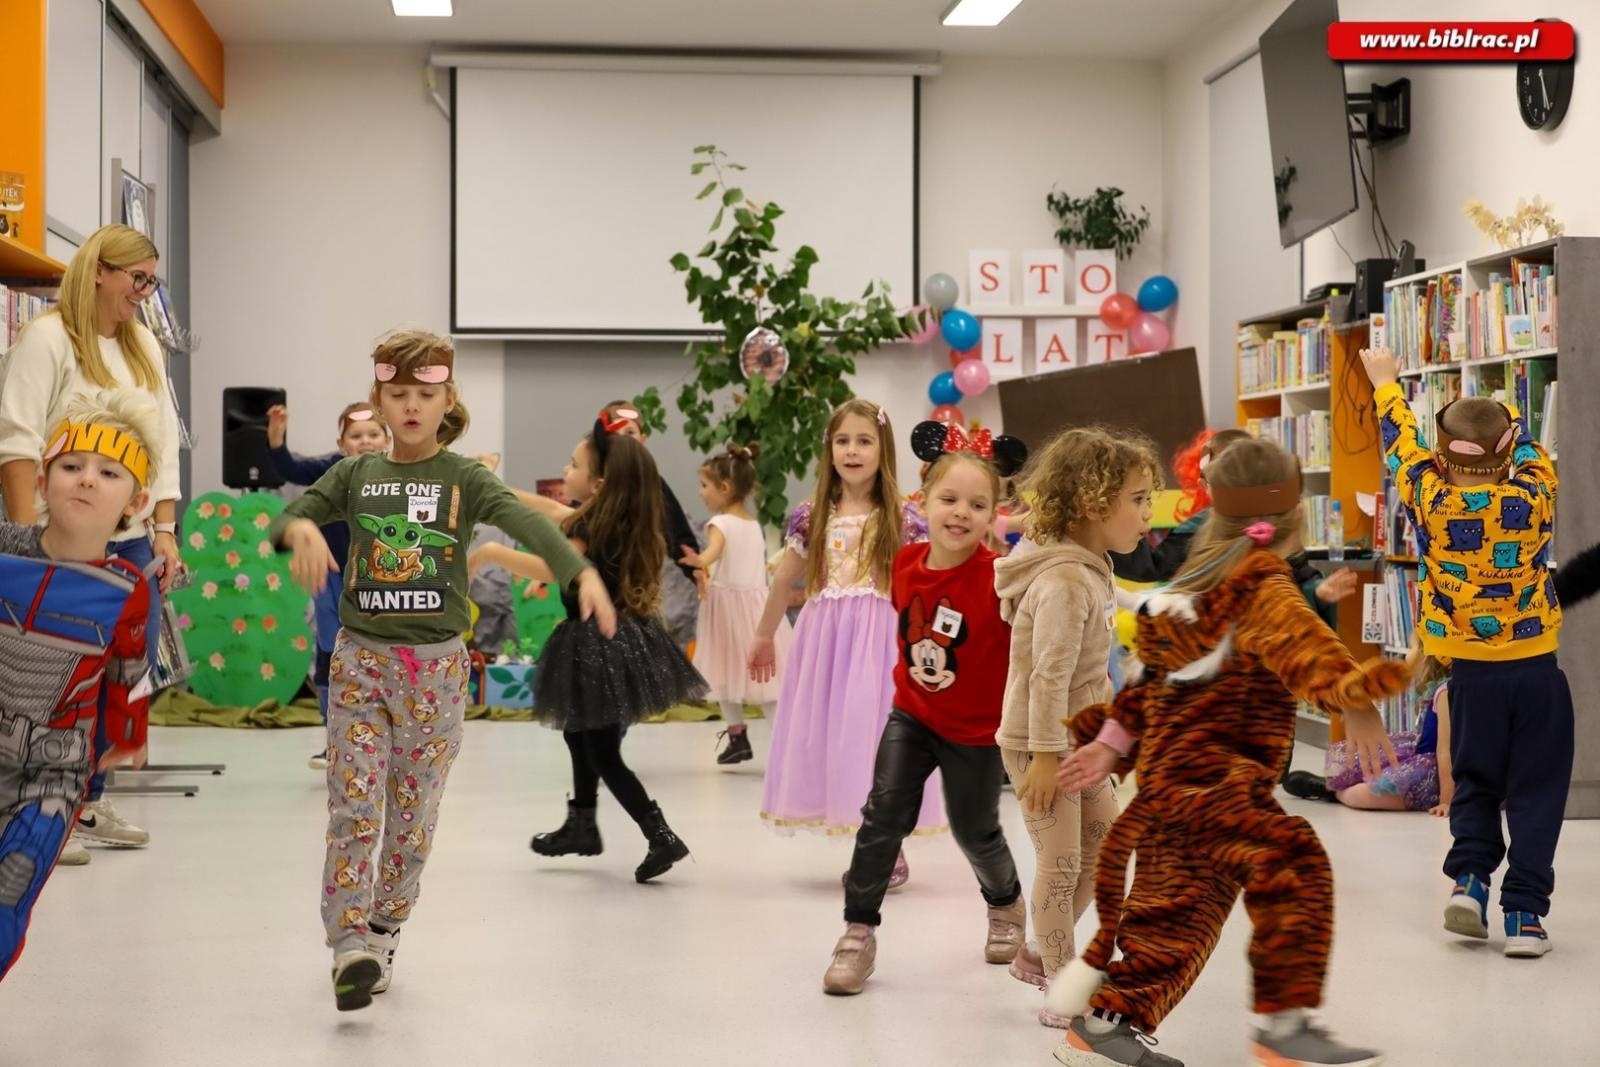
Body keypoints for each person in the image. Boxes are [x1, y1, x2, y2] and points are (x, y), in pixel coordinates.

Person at [269, 329, 615, 1011]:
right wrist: (300, 529)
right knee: (354, 805)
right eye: (396, 395)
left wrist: (578, 569)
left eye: (424, 395)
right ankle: (348, 945)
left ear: (446, 398)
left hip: (436, 674)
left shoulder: (463, 477)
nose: (410, 407)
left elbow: (527, 522)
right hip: (362, 664)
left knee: (412, 816)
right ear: (378, 401)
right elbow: (289, 518)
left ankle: (384, 926)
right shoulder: (355, 474)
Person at [1049, 437, 1410, 1067]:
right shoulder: (1263, 583)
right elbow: (1309, 653)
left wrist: (1113, 745)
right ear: (1296, 517)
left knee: (1177, 912)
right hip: (1215, 782)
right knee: (1294, 862)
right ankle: (1283, 1022)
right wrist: (1369, 690)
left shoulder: (1195, 578)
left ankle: (1104, 1026)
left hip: (1169, 785)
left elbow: (1147, 678)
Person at [1364, 346, 1570, 960]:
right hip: (1536, 670)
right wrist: (1504, 431)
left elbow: (1399, 440)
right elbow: (1527, 441)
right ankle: (1526, 915)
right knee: (1538, 789)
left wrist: (1385, 383)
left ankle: (1471, 882)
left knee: (1475, 780)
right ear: (1509, 450)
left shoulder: (1426, 492)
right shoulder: (1534, 490)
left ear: (1440, 452)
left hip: (1469, 674)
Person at [823, 424, 1030, 995]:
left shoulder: (998, 577)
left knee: (975, 831)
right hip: (911, 715)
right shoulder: (907, 564)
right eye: (949, 499)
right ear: (924, 502)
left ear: (994, 515)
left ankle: (1005, 904)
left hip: (977, 732)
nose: (961, 512)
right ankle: (857, 933)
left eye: (977, 504)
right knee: (883, 814)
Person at [0, 223, 184, 860]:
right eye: (139, 279)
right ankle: (36, 800)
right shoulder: (46, 338)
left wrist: (165, 528)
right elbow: (18, 441)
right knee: (51, 675)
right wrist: (26, 539)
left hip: (129, 541)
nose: (144, 293)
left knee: (121, 677)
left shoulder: (143, 348)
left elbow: (161, 448)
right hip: (58, 540)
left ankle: (86, 798)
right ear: (99, 271)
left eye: (151, 281)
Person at [476, 422, 706, 883]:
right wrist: (493, 489)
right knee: (579, 733)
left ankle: (659, 834)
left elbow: (552, 567)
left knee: (602, 752)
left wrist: (492, 554)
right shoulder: (618, 516)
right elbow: (544, 507)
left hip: (597, 645)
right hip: (623, 640)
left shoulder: (588, 525)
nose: (566, 468)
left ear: (598, 483)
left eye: (575, 464)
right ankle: (581, 824)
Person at [994, 427, 1159, 1029]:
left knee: (1104, 847)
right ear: (1093, 504)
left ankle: (1040, 949)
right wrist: (1043, 755)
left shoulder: (1093, 567)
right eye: (1138, 499)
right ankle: (1062, 987)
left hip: (1079, 740)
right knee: (1062, 861)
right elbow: (1048, 677)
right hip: (1043, 743)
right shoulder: (1065, 580)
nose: (1148, 512)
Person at [1111, 428, 1360, 804]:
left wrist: (1319, 593)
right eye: (1209, 480)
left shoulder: (1277, 537)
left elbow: (1301, 590)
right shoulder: (1201, 532)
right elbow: (1155, 568)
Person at [0, 391, 159, 979]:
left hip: (53, 777)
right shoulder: (4, 551)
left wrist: (127, 735)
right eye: (71, 466)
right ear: (43, 482)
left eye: (108, 471)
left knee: (8, 894)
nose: (86, 479)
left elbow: (130, 673)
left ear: (136, 503)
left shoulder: (127, 590)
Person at [749, 399, 940, 885]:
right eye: (842, 441)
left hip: (880, 640)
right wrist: (764, 634)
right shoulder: (811, 515)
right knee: (838, 736)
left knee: (878, 737)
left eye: (863, 441)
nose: (852, 451)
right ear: (828, 449)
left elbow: (926, 584)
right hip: (826, 643)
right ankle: (865, 837)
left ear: (883, 449)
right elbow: (783, 581)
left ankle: (886, 842)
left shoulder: (903, 516)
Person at [265, 401, 390, 769]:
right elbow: (290, 467)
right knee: (331, 650)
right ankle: (333, 736)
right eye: (356, 436)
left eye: (373, 434)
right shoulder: (331, 469)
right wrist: (276, 438)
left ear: (386, 439)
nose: (365, 441)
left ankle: (377, 735)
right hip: (331, 575)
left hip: (379, 579)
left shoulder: (397, 474)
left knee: (378, 654)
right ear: (342, 442)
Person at [678, 442, 790, 765]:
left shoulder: (720, 525)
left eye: (704, 486)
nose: (701, 493)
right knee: (761, 677)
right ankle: (749, 738)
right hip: (755, 607)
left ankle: (749, 737)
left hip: (729, 611)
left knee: (728, 671)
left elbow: (713, 553)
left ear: (724, 488)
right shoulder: (753, 524)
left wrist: (697, 561)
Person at [1326, 655, 1452, 815]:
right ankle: (1334, 787)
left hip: (1437, 775)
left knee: (1362, 795)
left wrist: (1446, 801)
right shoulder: (1440, 689)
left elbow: (1445, 752)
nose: (1407, 655)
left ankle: (1334, 793)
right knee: (1364, 770)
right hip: (1425, 759)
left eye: (1412, 646)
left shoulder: (1447, 694)